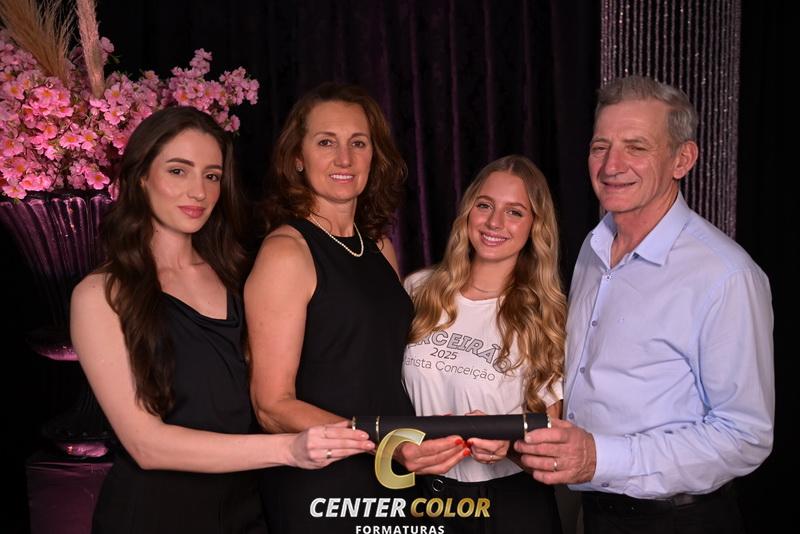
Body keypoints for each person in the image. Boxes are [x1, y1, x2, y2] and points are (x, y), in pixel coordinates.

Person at [71, 106, 374, 534]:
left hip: (247, 512)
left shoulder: (238, 275)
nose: (198, 191)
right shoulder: (101, 294)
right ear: (141, 178)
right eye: (178, 171)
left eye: (211, 176)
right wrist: (289, 449)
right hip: (154, 518)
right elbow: (145, 445)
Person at [514, 76, 774, 534]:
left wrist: (600, 457)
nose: (611, 165)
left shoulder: (725, 275)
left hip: (679, 521)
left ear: (682, 159)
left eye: (636, 147)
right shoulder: (593, 249)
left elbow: (745, 435)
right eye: (600, 147)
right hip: (594, 512)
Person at [245, 82, 445, 532]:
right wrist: (383, 441)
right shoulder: (287, 252)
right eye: (325, 142)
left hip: (394, 471)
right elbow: (272, 405)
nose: (344, 159)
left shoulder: (379, 247)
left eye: (358, 143)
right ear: (297, 157)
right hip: (324, 480)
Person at [402, 155, 566, 534]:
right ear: (468, 212)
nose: (494, 222)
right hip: (422, 497)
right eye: (485, 205)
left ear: (535, 226)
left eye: (515, 212)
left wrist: (508, 446)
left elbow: (552, 447)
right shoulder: (418, 290)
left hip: (508, 506)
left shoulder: (546, 317)